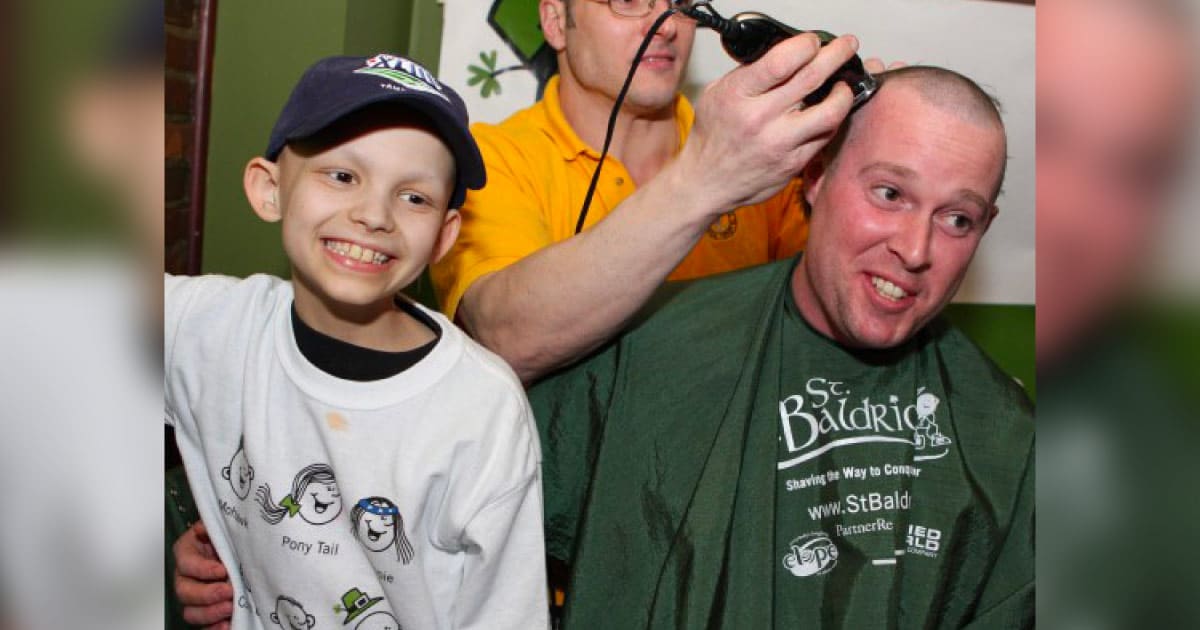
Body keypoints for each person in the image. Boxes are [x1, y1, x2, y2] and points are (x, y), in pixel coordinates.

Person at [529, 66, 1033, 627]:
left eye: (957, 219)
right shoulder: (641, 356)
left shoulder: (1006, 436)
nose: (916, 250)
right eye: (889, 194)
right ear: (815, 175)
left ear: (985, 227)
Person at [165, 53, 548, 629]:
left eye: (414, 196)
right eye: (342, 176)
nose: (374, 215)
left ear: (444, 236)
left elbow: (504, 613)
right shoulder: (206, 326)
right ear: (269, 190)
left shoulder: (480, 409)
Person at [430, 0, 867, 382]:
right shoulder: (491, 159)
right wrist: (707, 179)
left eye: (679, 0)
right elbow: (507, 336)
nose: (667, 22)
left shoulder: (765, 155)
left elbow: (847, 311)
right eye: (626, 0)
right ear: (556, 22)